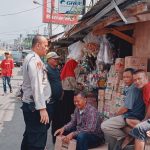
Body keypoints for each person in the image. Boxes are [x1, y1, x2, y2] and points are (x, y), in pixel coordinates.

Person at [21, 35, 52, 150]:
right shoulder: (34, 60)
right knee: (37, 139)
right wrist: (42, 108)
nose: (47, 48)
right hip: (35, 106)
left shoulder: (32, 58)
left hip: (31, 105)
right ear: (38, 45)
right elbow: (37, 86)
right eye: (45, 45)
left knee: (30, 135)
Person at [101, 68, 145, 149]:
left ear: (133, 77)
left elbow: (126, 108)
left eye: (128, 77)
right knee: (111, 130)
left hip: (131, 116)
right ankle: (122, 138)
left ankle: (125, 137)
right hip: (130, 115)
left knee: (105, 125)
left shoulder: (133, 88)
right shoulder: (130, 88)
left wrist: (115, 116)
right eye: (124, 77)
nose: (125, 79)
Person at [129, 69, 150, 150]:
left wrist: (145, 119)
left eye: (139, 79)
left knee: (139, 128)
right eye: (134, 80)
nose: (137, 81)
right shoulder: (144, 89)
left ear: (146, 78)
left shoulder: (148, 87)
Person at [46, 51, 63, 143]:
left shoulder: (56, 69)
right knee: (46, 124)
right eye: (54, 58)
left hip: (58, 101)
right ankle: (41, 144)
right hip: (50, 102)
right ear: (48, 59)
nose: (57, 60)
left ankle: (55, 141)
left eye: (57, 58)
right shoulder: (46, 69)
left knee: (57, 122)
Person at [60, 58, 82, 125]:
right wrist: (81, 87)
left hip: (64, 92)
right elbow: (74, 85)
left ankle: (65, 121)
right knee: (69, 109)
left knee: (65, 108)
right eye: (75, 66)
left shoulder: (65, 71)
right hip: (69, 93)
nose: (75, 67)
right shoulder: (70, 74)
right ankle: (68, 123)